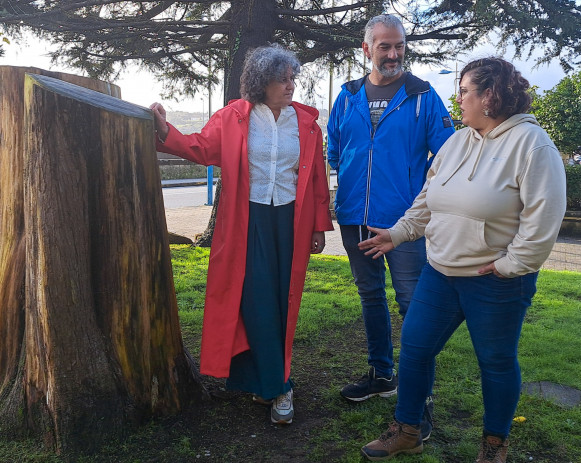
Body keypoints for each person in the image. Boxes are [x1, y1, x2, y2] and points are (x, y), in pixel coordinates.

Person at [357, 57, 566, 462]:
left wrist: (509, 266)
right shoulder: (457, 141)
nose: (459, 99)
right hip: (440, 272)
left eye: (465, 91)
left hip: (496, 280)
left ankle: (493, 446)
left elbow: (542, 223)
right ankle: (408, 430)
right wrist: (398, 234)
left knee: (496, 362)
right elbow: (428, 200)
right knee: (415, 350)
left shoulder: (532, 145)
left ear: (489, 96)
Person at [150, 44, 332, 425]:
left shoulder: (307, 123)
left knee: (284, 300)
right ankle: (278, 386)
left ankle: (270, 380)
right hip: (247, 222)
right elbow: (200, 147)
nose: (290, 86)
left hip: (291, 223)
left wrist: (318, 225)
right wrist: (166, 131)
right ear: (261, 82)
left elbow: (316, 177)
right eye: (281, 79)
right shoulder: (234, 117)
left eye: (292, 78)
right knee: (255, 299)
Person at [325, 13, 454, 435]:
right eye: (385, 46)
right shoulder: (346, 95)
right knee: (370, 297)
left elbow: (450, 157)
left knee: (412, 305)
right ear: (367, 49)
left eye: (399, 45)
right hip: (354, 218)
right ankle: (382, 375)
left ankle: (421, 401)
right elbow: (336, 150)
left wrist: (426, 206)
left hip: (404, 225)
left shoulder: (423, 95)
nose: (394, 53)